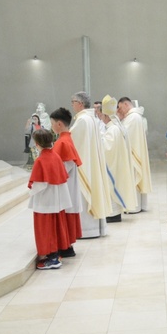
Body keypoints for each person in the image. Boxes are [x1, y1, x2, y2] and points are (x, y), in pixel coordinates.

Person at [70, 91, 112, 238]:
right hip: (92, 163)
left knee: (84, 195)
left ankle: (87, 230)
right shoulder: (91, 118)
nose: (72, 104)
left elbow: (71, 143)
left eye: (73, 101)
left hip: (85, 166)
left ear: (80, 103)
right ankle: (95, 229)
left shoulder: (82, 120)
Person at [28, 129, 72, 270]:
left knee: (46, 229)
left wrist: (31, 189)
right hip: (57, 199)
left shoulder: (41, 160)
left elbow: (39, 183)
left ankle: (52, 258)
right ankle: (55, 254)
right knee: (55, 227)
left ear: (37, 144)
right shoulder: (56, 156)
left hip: (45, 201)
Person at [49, 107, 82, 255]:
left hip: (65, 186)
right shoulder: (66, 139)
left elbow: (65, 165)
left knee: (64, 212)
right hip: (67, 184)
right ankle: (66, 245)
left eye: (52, 123)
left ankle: (66, 246)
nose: (51, 126)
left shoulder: (62, 142)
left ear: (59, 124)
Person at [100, 95, 139, 221]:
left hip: (113, 164)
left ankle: (112, 215)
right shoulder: (118, 126)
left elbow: (107, 149)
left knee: (111, 186)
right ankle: (114, 213)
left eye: (102, 115)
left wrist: (99, 140)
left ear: (106, 116)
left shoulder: (113, 129)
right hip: (118, 163)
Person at [117, 97, 152, 212]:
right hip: (135, 152)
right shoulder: (136, 116)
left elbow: (123, 135)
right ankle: (139, 205)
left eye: (120, 107)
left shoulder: (132, 117)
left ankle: (134, 207)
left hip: (132, 155)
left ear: (126, 104)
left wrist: (118, 120)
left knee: (133, 178)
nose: (120, 110)